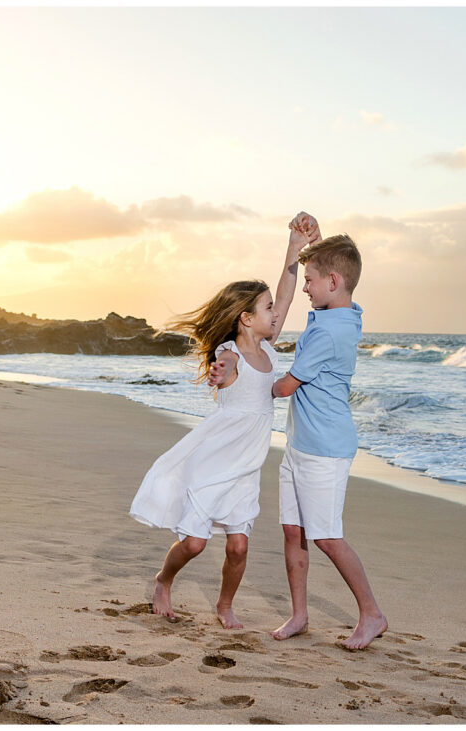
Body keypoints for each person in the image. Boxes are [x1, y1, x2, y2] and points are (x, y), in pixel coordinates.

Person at [129, 213, 320, 629]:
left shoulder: (267, 347)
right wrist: (220, 372)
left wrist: (293, 247)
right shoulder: (230, 351)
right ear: (246, 319)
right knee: (195, 543)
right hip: (215, 458)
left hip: (245, 467)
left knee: (237, 547)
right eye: (266, 309)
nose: (276, 313)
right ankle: (164, 579)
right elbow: (226, 365)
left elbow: (286, 295)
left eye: (272, 309)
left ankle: (224, 605)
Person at [212, 223, 387, 649]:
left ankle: (371, 614)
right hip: (301, 443)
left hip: (324, 449)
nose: (304, 288)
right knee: (293, 530)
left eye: (310, 281)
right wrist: (312, 243)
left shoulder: (329, 331)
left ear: (333, 282)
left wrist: (253, 378)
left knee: (326, 535)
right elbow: (330, 272)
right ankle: (300, 615)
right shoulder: (342, 313)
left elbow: (284, 385)